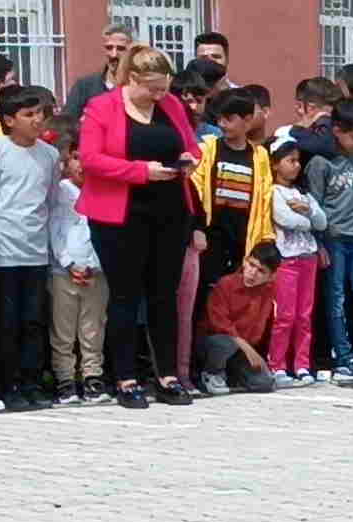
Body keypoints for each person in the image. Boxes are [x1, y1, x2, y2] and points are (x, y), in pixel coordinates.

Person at [79, 44, 200, 409]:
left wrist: (189, 159)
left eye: (164, 88)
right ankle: (126, 377)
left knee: (164, 294)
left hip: (169, 210)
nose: (160, 95)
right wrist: (141, 171)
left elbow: (192, 146)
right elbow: (91, 159)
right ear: (132, 78)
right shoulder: (102, 106)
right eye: (153, 88)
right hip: (120, 214)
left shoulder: (171, 105)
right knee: (125, 296)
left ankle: (167, 376)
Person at [0, 85, 60, 411]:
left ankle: (32, 382)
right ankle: (8, 384)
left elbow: (51, 200)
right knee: (7, 322)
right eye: (28, 114)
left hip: (36, 250)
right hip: (3, 249)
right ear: (9, 120)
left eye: (39, 113)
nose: (37, 119)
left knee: (34, 321)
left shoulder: (50, 155)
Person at [307, 103, 353, 382]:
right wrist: (319, 244)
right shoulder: (320, 163)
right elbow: (315, 205)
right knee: (336, 300)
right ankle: (343, 359)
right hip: (333, 239)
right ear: (337, 130)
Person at [190, 89, 274, 310]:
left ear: (247, 120)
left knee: (236, 298)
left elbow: (265, 201)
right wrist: (197, 227)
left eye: (228, 119)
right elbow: (196, 189)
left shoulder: (260, 156)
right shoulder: (208, 149)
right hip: (212, 237)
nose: (222, 124)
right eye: (219, 119)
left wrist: (264, 239)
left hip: (242, 238)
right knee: (205, 296)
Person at [48, 131, 109, 405]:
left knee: (92, 328)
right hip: (64, 272)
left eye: (87, 158)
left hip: (96, 272)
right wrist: (69, 263)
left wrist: (93, 265)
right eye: (75, 157)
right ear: (67, 161)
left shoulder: (104, 191)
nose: (81, 164)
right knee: (63, 330)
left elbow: (106, 234)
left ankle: (92, 376)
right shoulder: (61, 192)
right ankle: (65, 379)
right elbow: (55, 230)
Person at [267, 137, 324, 385]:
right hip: (286, 259)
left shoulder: (303, 194)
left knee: (304, 315)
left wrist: (307, 210)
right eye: (290, 161)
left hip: (308, 258)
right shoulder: (273, 192)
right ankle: (277, 365)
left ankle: (301, 364)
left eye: (298, 161)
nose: (297, 165)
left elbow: (323, 222)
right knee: (285, 315)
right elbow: (285, 219)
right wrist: (307, 218)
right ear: (275, 164)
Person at [195, 241, 282, 392]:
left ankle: (232, 375)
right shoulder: (226, 284)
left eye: (261, 271)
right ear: (244, 261)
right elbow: (220, 324)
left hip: (241, 350)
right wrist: (249, 350)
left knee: (265, 383)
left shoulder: (268, 292)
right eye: (251, 265)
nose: (252, 273)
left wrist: (258, 358)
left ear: (271, 276)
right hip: (213, 343)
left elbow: (260, 330)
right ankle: (211, 373)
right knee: (226, 343)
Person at [64, 23, 134, 120]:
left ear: (131, 52)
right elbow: (66, 123)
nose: (114, 54)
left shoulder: (137, 88)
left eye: (121, 49)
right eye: (109, 48)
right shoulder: (85, 87)